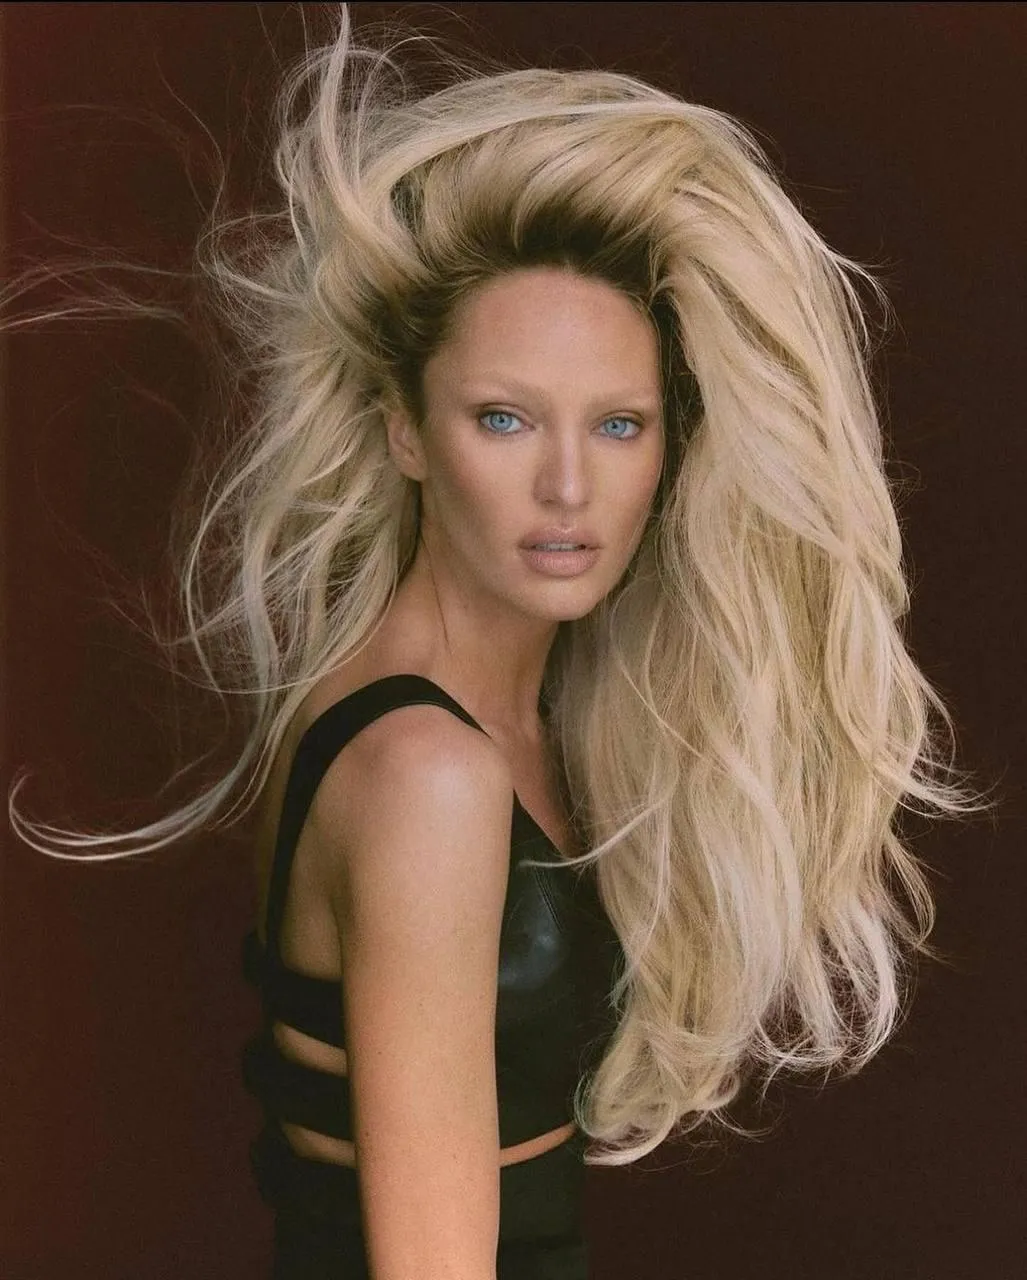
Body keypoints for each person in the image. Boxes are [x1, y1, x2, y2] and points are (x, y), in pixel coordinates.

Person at [7, 6, 992, 1278]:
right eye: (505, 419)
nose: (569, 487)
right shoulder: (429, 772)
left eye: (620, 425)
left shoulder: (500, 717)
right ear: (407, 432)